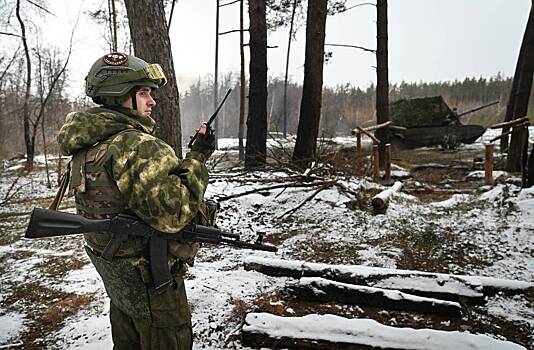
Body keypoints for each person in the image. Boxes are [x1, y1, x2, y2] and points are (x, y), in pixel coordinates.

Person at [56, 52, 215, 349]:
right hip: (153, 287)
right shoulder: (134, 145)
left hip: (120, 283)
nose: (152, 102)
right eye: (143, 93)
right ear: (120, 95)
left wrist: (191, 157)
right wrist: (197, 161)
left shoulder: (90, 146)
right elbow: (174, 215)